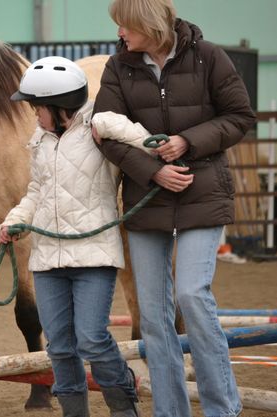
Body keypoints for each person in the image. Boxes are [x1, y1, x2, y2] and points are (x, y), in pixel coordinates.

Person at [92, 0, 256, 416]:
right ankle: (170, 411)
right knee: (152, 315)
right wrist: (153, 172)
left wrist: (187, 141)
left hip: (203, 194)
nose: (120, 35)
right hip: (148, 199)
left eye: (125, 26)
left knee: (191, 295)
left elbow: (239, 116)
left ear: (147, 23)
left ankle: (222, 409)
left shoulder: (209, 57)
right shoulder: (118, 68)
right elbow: (106, 134)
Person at [0, 56, 139, 417]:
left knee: (92, 338)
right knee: (59, 347)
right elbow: (36, 190)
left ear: (56, 106)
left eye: (35, 106)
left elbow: (147, 143)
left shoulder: (102, 124)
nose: (32, 114)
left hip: (94, 256)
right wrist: (15, 219)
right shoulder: (40, 139)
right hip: (47, 260)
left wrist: (166, 150)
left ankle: (124, 406)